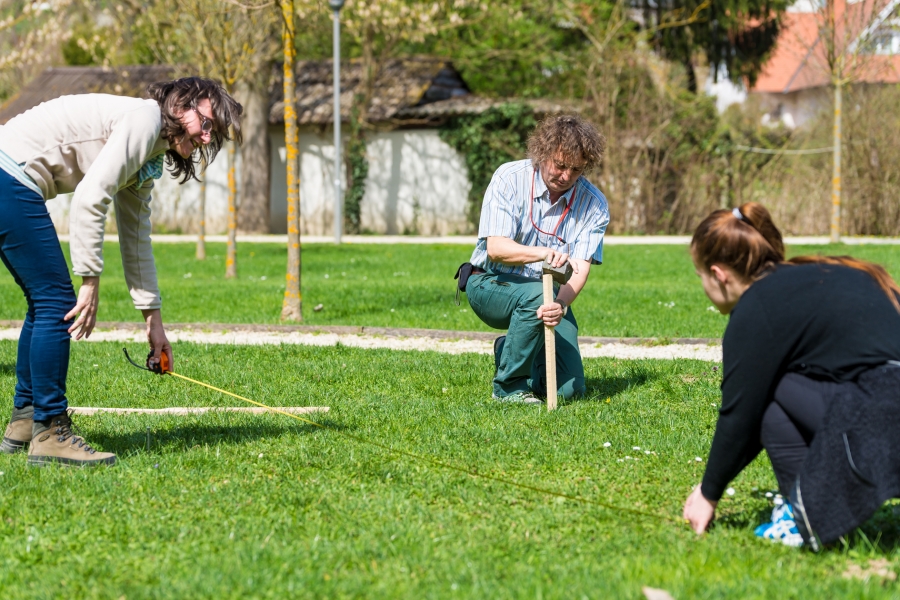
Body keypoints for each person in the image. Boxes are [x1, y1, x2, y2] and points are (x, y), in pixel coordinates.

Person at [0, 77, 242, 467]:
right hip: (7, 176)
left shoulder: (148, 152)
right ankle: (50, 430)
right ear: (182, 105)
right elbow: (90, 197)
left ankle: (26, 422)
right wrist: (89, 281)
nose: (205, 140)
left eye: (212, 136)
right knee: (55, 302)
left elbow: (135, 238)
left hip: (8, 179)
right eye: (207, 125)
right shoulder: (144, 120)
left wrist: (154, 321)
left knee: (42, 300)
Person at [682, 202, 900, 549]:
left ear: (719, 273)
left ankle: (804, 515)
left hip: (886, 427)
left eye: (701, 276)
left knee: (770, 389)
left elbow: (740, 415)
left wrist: (708, 494)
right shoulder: (837, 270)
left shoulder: (757, 307)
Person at [463, 115, 609, 404]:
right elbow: (496, 248)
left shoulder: (595, 205)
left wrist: (561, 304)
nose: (566, 176)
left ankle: (512, 350)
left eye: (576, 169)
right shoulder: (508, 178)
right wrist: (543, 254)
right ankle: (508, 388)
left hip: (549, 296)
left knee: (569, 391)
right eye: (560, 165)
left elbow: (579, 268)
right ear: (543, 153)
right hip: (489, 282)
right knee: (534, 297)